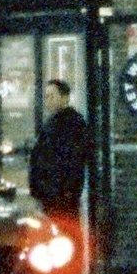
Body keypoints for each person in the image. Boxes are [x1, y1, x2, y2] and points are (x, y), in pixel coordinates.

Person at [27, 76, 90, 217]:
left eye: (52, 96)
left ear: (65, 97)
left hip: (60, 196)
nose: (48, 100)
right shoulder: (52, 122)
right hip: (50, 195)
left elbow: (73, 160)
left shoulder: (73, 124)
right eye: (46, 96)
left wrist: (64, 190)